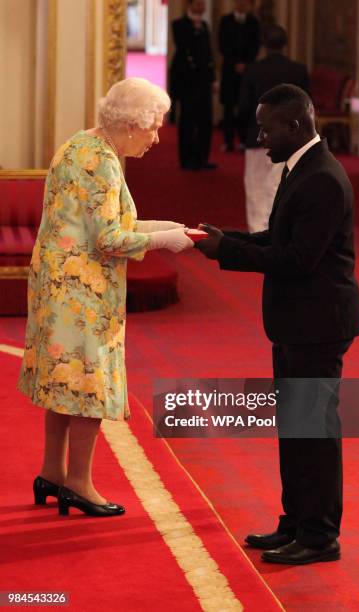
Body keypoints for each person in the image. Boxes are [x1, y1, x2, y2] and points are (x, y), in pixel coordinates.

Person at [196, 84, 359, 565]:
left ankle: (319, 536)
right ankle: (295, 523)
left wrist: (225, 253)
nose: (260, 136)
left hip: (319, 323)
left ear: (294, 126)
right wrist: (225, 237)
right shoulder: (302, 168)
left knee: (314, 432)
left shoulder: (324, 180)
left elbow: (296, 258)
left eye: (266, 127)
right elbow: (279, 236)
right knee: (295, 427)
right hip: (297, 323)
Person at [17, 77, 194, 518]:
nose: (156, 138)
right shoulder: (103, 163)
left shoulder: (84, 145)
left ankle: (52, 472)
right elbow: (110, 238)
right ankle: (77, 482)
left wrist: (168, 228)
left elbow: (112, 223)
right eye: (153, 127)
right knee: (88, 385)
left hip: (58, 285)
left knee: (62, 381)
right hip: (81, 294)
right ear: (132, 124)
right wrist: (165, 241)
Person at [238, 24, 310, 232]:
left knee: (256, 187)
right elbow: (306, 109)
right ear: (285, 45)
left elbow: (244, 106)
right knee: (284, 186)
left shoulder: (253, 70)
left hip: (258, 136)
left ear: (264, 45)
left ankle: (258, 233)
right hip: (291, 139)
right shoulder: (298, 71)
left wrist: (244, 135)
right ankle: (280, 231)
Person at [170, 0, 218, 170]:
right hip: (187, 80)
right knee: (188, 121)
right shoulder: (179, 24)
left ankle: (202, 158)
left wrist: (213, 79)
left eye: (202, 5)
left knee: (205, 120)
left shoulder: (204, 25)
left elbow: (208, 54)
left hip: (204, 80)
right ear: (189, 5)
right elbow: (184, 46)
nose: (201, 8)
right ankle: (186, 159)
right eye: (198, 4)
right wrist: (195, 30)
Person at [218, 0, 260, 152]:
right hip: (229, 70)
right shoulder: (225, 21)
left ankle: (243, 140)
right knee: (228, 107)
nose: (242, 4)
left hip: (247, 72)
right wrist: (235, 63)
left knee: (246, 107)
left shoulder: (253, 22)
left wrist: (245, 64)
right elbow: (222, 45)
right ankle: (228, 141)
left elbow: (255, 46)